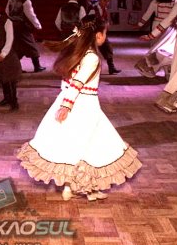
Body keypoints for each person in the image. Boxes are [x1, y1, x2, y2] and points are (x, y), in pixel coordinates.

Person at [17, 15, 142, 201]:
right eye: (105, 33)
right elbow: (77, 82)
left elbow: (67, 82)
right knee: (90, 145)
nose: (105, 36)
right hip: (84, 105)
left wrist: (64, 102)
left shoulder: (75, 52)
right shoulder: (91, 57)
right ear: (98, 35)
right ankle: (83, 188)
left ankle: (73, 187)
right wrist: (66, 106)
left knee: (73, 145)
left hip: (69, 100)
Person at [134, 0, 177, 78]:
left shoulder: (156, 1)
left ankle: (154, 69)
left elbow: (147, 14)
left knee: (158, 49)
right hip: (170, 27)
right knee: (167, 50)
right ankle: (167, 72)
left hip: (158, 26)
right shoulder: (176, 1)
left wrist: (139, 24)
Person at [6, 0, 46, 72]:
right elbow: (31, 15)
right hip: (22, 27)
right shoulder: (26, 1)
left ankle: (16, 68)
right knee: (31, 45)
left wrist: (13, 19)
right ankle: (37, 66)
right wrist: (38, 26)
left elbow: (7, 11)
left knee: (17, 48)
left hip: (12, 26)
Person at [88, 0, 121, 74]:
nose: (107, 3)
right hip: (94, 35)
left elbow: (104, 20)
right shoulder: (93, 9)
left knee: (108, 48)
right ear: (99, 0)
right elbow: (89, 22)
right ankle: (90, 70)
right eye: (105, 1)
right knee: (93, 52)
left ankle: (111, 68)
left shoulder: (104, 9)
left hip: (102, 34)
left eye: (108, 1)